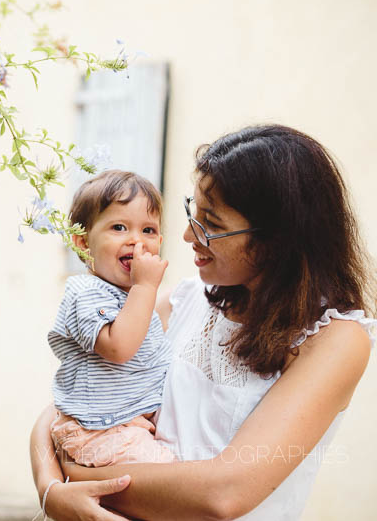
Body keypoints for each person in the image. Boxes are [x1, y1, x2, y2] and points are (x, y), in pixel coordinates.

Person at [30, 124, 376, 520]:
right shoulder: (186, 299)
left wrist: (75, 477)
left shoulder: (336, 339)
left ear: (275, 241)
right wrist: (50, 489)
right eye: (192, 212)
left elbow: (222, 494)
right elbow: (69, 408)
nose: (185, 235)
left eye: (210, 224)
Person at [47, 170, 174, 469]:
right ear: (82, 242)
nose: (136, 241)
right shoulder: (87, 291)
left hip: (121, 426)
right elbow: (118, 348)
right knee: (169, 481)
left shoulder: (130, 298)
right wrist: (145, 287)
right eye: (119, 227)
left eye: (148, 231)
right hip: (99, 430)